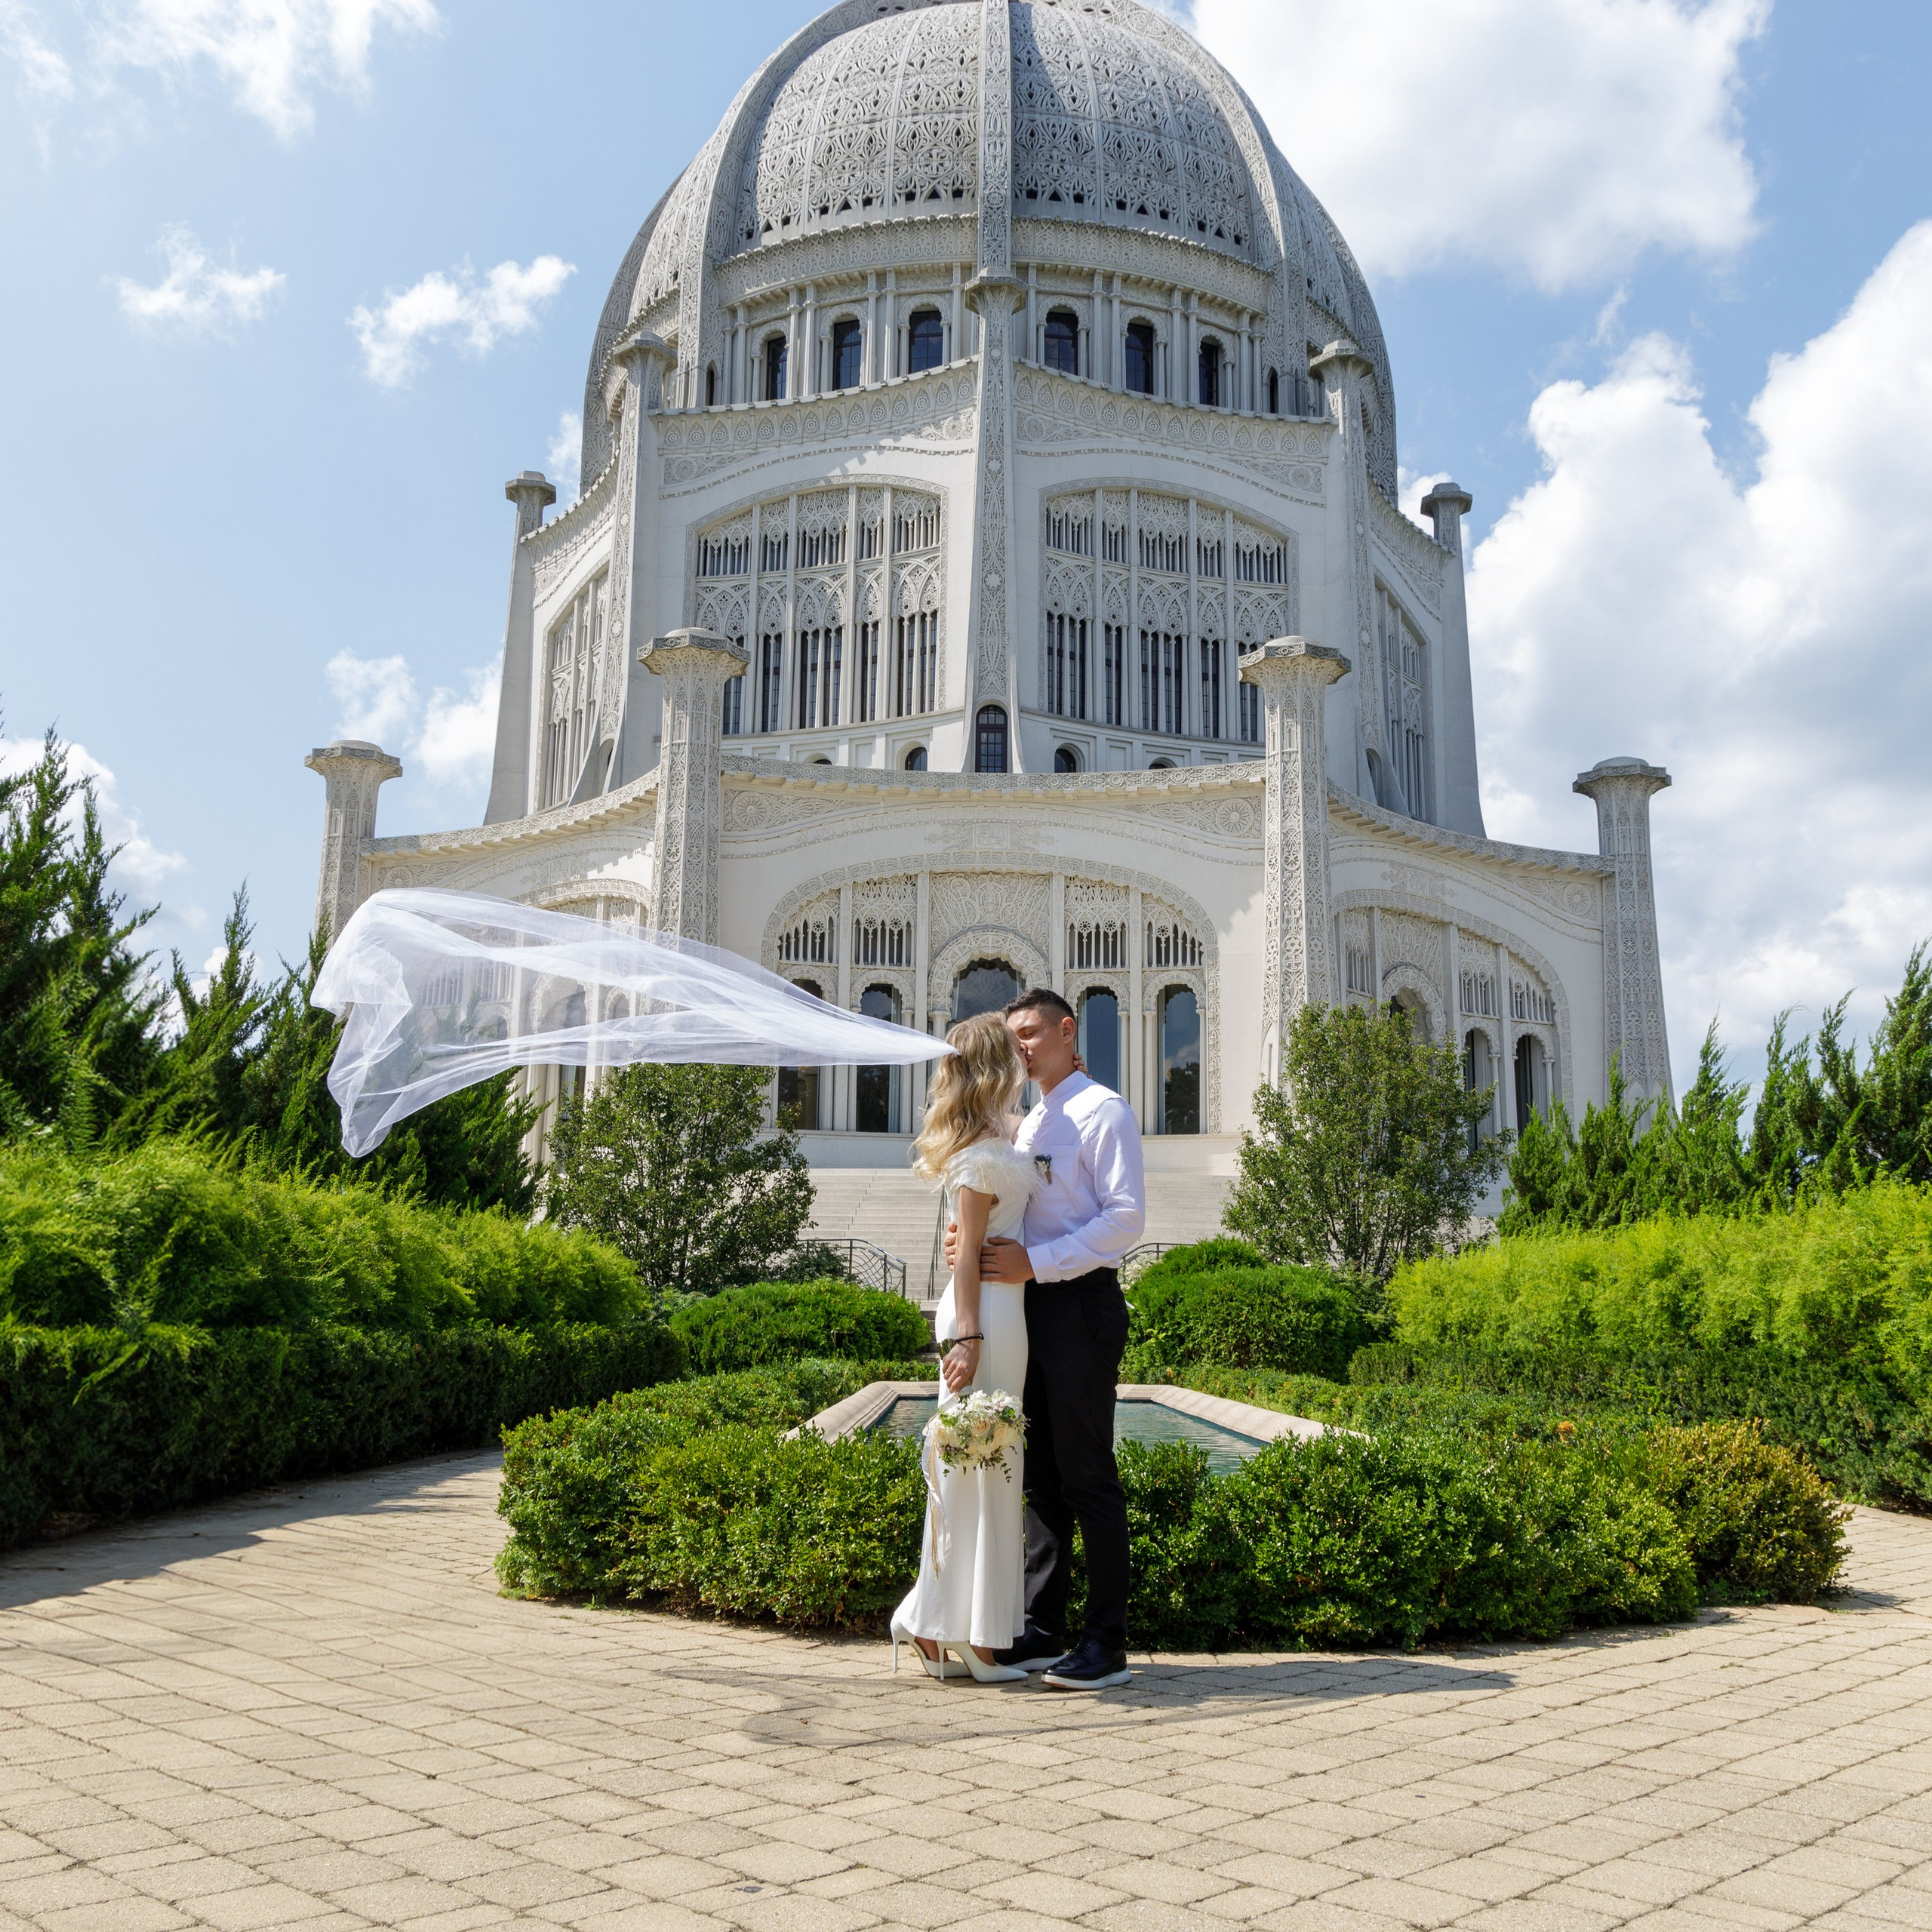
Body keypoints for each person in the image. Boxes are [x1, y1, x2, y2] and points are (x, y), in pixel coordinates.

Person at [945, 988, 1145, 1690]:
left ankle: (1107, 1645)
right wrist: (969, 1243)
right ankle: (1041, 1627)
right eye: (1013, 1037)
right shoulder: (1029, 1121)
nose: (1020, 1047)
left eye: (1031, 1033)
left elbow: (1126, 1219)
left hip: (1081, 1307)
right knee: (1041, 1480)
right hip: (1028, 1309)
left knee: (1088, 1475)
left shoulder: (1103, 1111)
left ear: (1067, 1031)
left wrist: (1038, 1262)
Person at [890, 1013, 1039, 1684]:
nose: (1024, 1059)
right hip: (987, 1316)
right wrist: (970, 1337)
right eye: (1014, 1051)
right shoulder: (979, 1157)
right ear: (997, 1066)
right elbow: (968, 1255)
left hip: (1004, 1312)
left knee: (987, 1466)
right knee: (975, 1466)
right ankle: (961, 1635)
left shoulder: (997, 1136)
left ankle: (936, 1625)